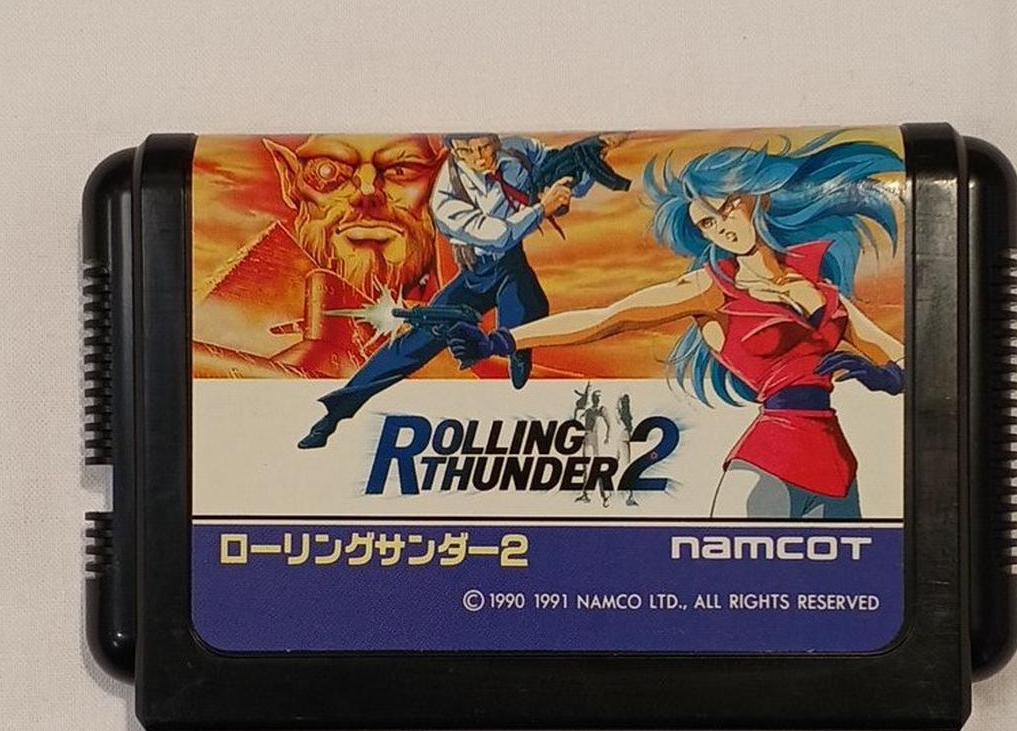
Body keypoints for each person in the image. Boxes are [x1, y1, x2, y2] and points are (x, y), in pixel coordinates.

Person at [446, 132, 905, 519]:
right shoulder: (711, 288)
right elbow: (609, 318)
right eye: (706, 223)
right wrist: (499, 340)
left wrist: (888, 376)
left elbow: (901, 354)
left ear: (754, 197)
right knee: (726, 588)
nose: (720, 228)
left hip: (839, 467)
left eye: (726, 208)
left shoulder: (820, 283)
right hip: (769, 464)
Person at [297, 132, 616, 449]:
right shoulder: (446, 197)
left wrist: (588, 162)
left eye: (486, 146)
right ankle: (334, 414)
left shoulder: (519, 150)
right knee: (415, 343)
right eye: (468, 152)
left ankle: (519, 354)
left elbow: (557, 169)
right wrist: (542, 208)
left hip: (511, 266)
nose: (481, 157)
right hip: (476, 272)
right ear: (454, 150)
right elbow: (497, 235)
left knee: (528, 311)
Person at [575, 389, 612, 505]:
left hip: (598, 438)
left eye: (599, 396)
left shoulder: (602, 409)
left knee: (600, 466)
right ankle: (587, 494)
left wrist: (607, 437)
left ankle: (606, 495)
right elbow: (579, 419)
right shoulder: (589, 410)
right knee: (586, 465)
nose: (598, 398)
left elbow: (610, 424)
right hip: (588, 437)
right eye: (596, 396)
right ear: (593, 398)